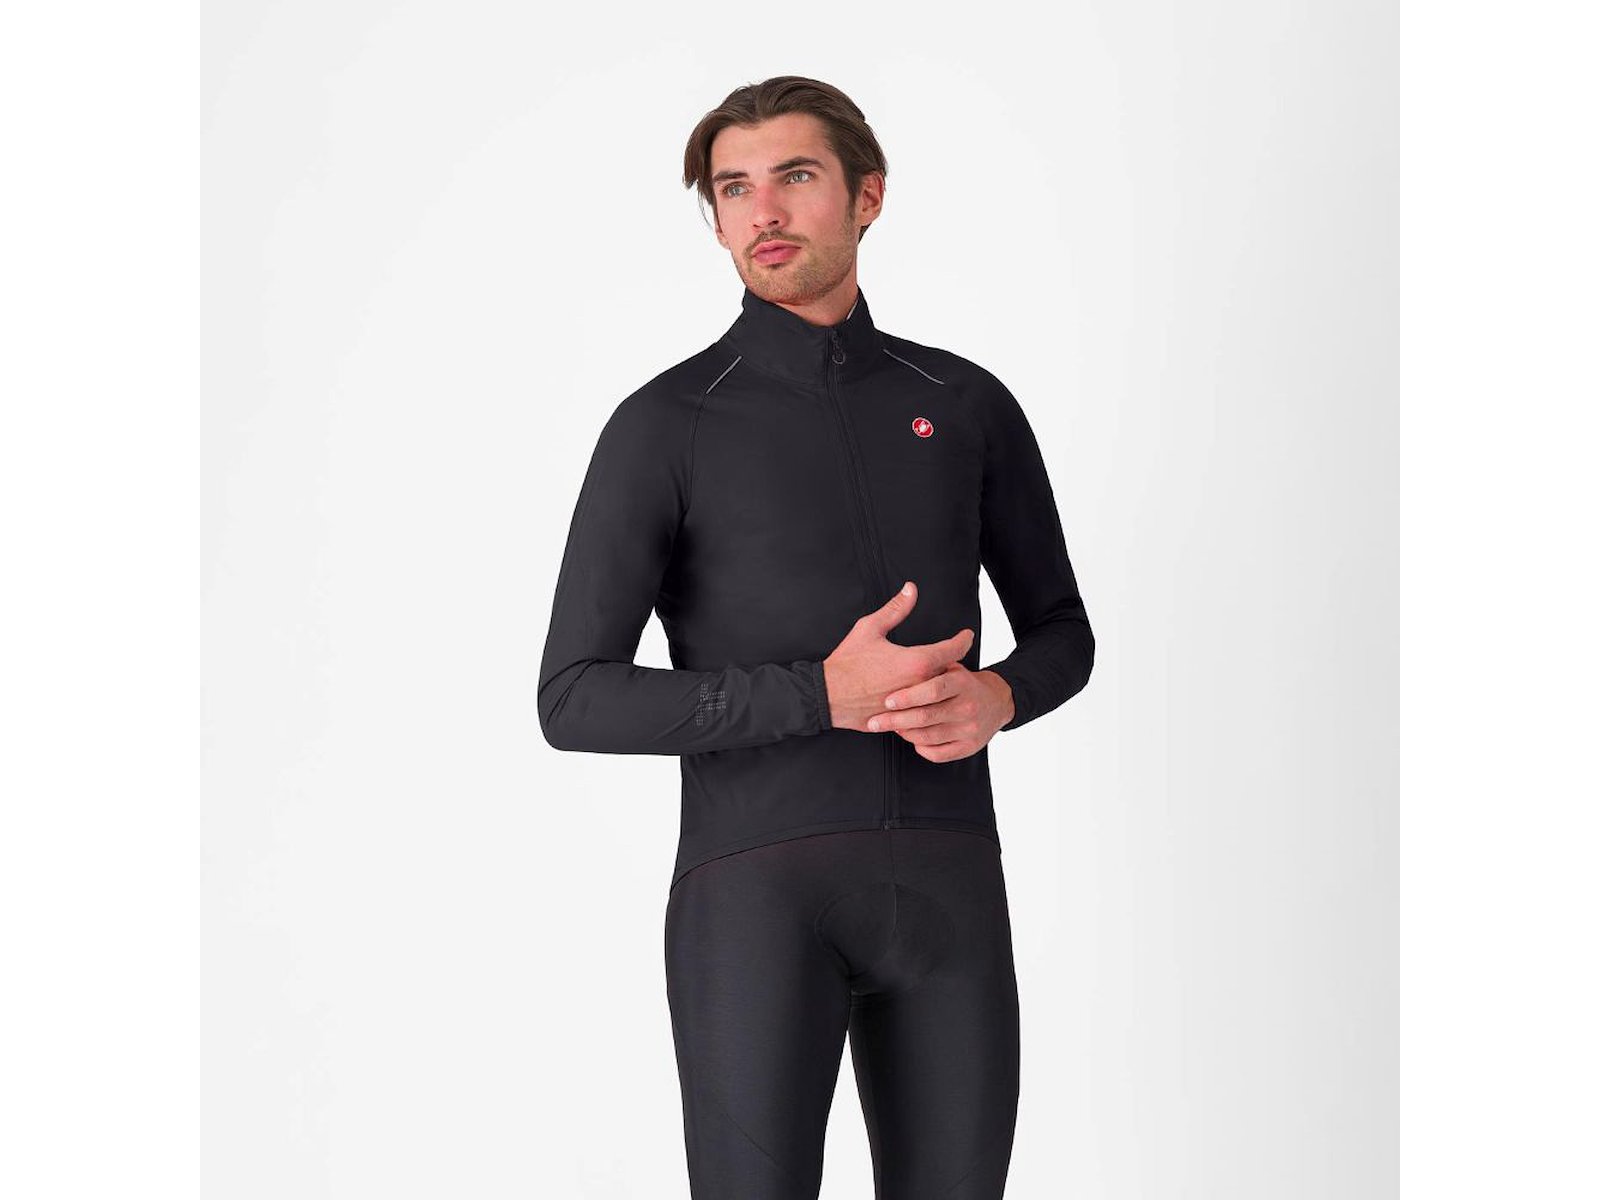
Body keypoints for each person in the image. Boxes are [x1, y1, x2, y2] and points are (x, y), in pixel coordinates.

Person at [537, 75, 1094, 1199]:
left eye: (794, 176)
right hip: (755, 904)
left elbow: (1061, 631)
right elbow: (574, 696)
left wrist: (1000, 697)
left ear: (866, 196)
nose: (763, 212)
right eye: (732, 188)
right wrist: (818, 694)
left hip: (948, 889)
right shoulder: (667, 425)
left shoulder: (964, 403)